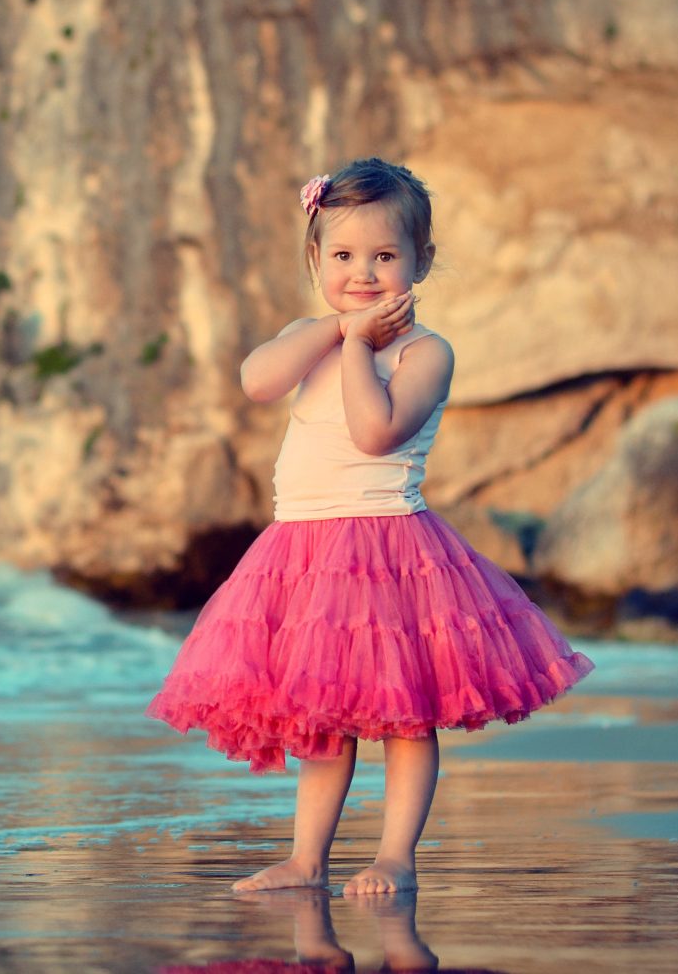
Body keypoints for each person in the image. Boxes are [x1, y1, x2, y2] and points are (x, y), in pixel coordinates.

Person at [146, 158, 594, 896]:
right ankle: (306, 859)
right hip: (301, 550)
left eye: (385, 256)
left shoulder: (426, 352)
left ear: (422, 261)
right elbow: (257, 381)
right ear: (316, 259)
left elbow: (374, 431)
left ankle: (395, 857)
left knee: (407, 716)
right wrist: (335, 331)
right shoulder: (311, 334)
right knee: (324, 718)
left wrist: (357, 346)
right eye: (345, 256)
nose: (363, 274)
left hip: (390, 549)